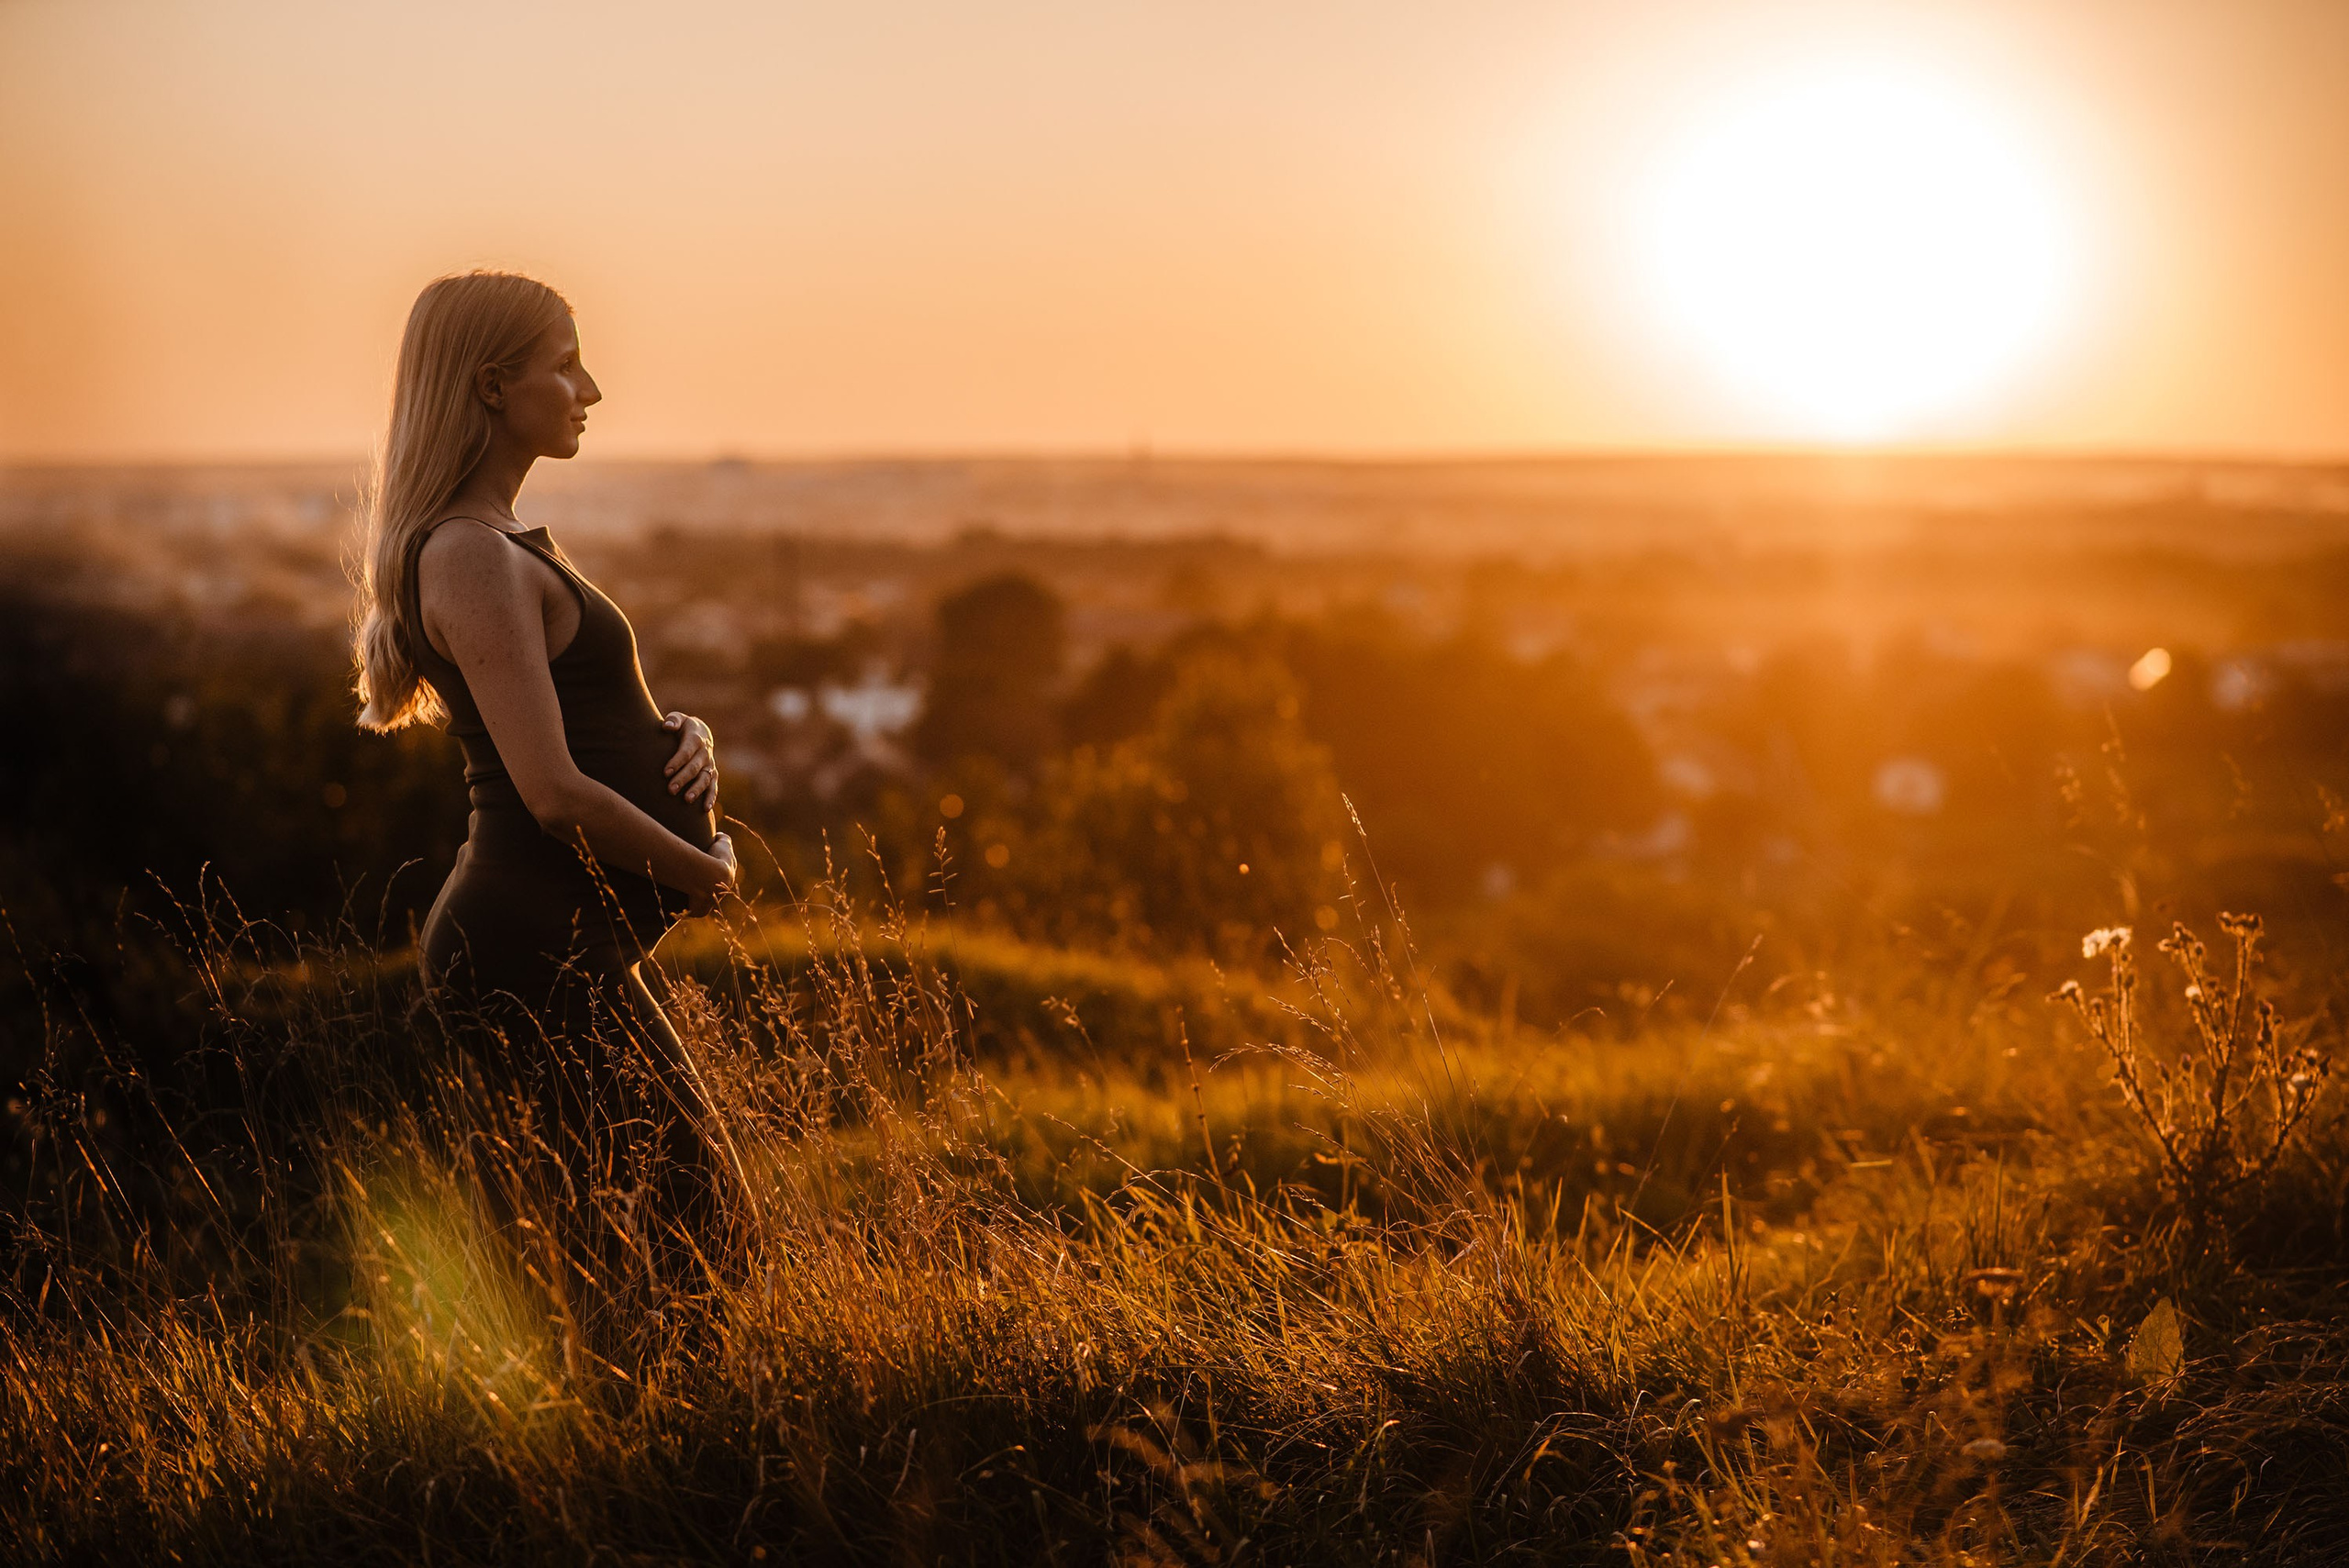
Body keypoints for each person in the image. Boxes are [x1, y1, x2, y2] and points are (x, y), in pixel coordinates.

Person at [348, 271, 740, 1316]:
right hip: (525, 946)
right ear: (490, 385)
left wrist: (683, 735)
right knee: (679, 1244)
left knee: (665, 1243)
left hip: (562, 942)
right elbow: (554, 793)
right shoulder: (468, 554)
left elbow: (584, 717)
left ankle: (632, 1416)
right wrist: (704, 874)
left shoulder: (500, 539)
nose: (591, 389)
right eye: (565, 365)